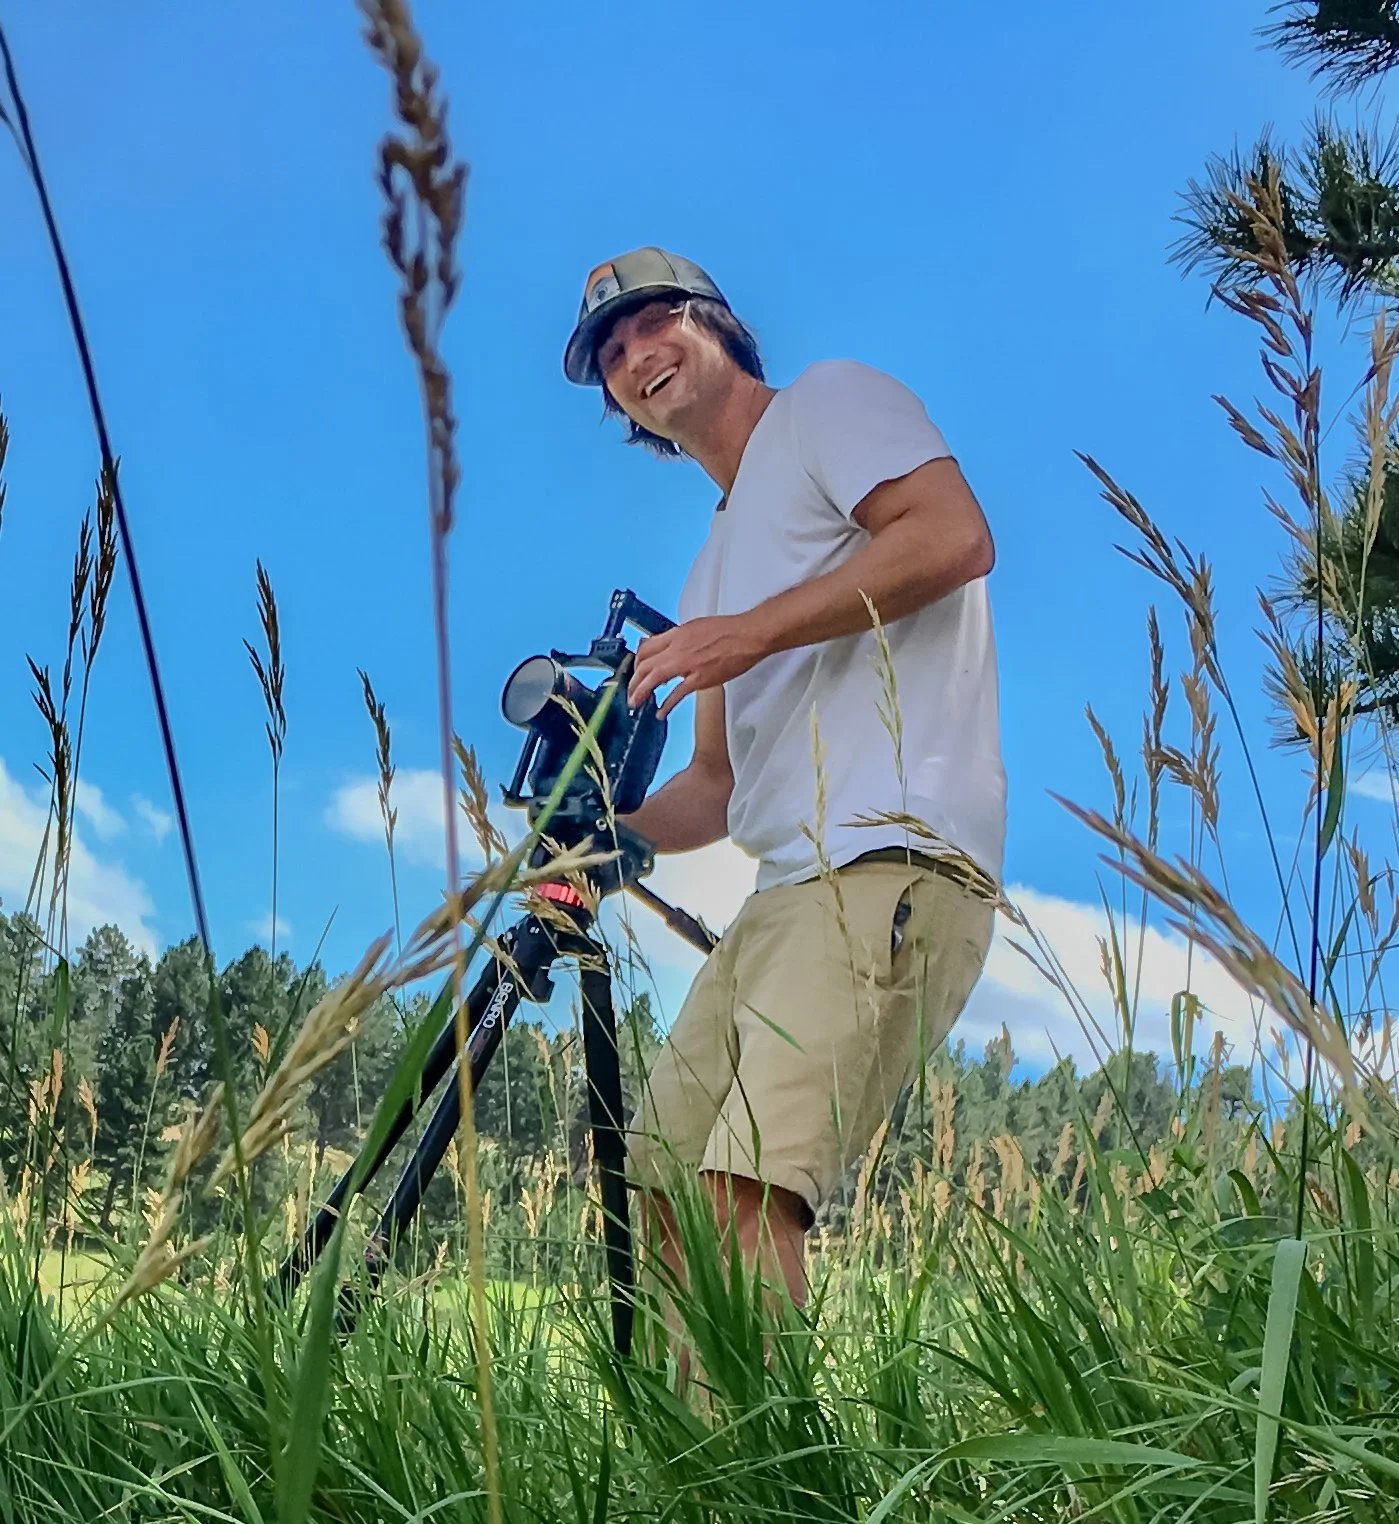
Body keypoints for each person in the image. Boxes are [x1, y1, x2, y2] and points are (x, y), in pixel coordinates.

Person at [563, 246, 1006, 1314]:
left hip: (885, 857)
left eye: (652, 323)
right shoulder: (710, 567)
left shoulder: (827, 405)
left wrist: (748, 637)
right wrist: (601, 834)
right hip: (780, 897)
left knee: (744, 1190)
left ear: (715, 321)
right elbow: (714, 785)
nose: (636, 357)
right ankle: (699, 1470)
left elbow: (952, 536)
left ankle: (765, 1489)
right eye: (612, 355)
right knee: (658, 1189)